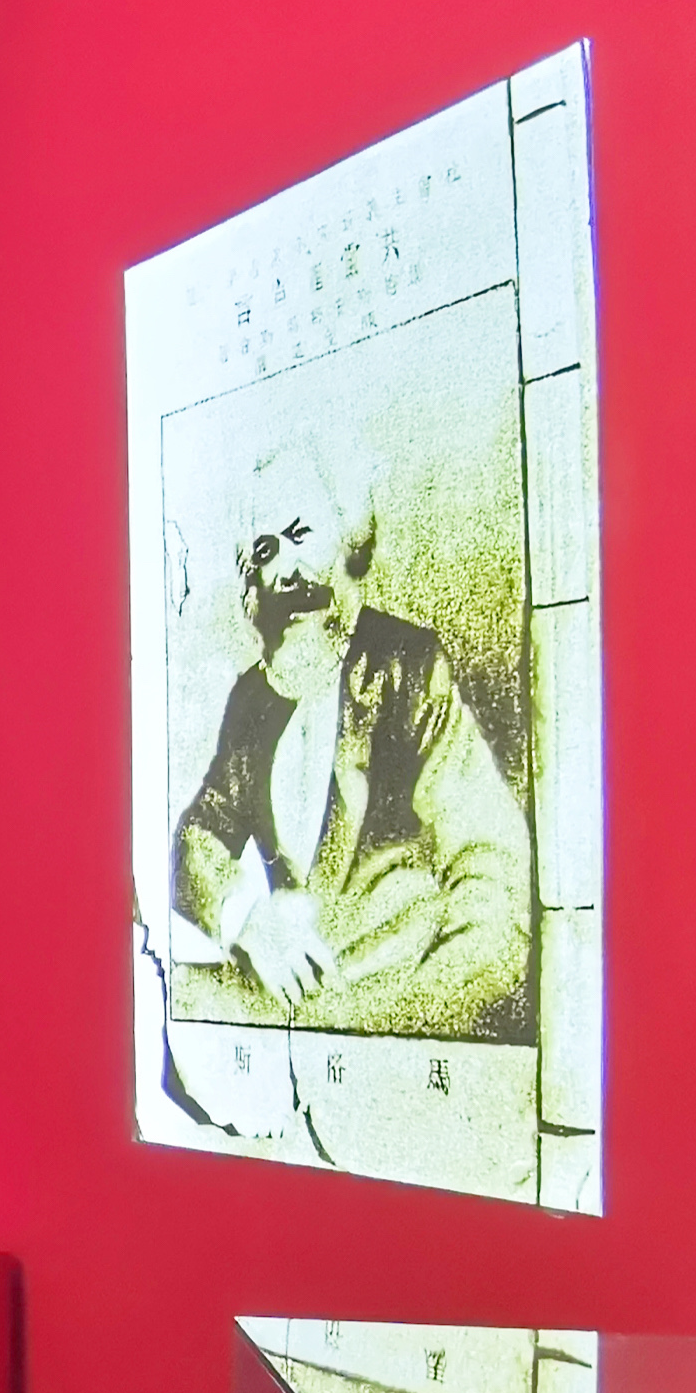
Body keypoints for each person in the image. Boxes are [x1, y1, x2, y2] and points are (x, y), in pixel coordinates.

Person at [169, 445, 530, 1040]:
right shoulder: (252, 702)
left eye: (300, 535)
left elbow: (490, 868)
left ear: (346, 543)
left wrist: (407, 1011)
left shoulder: (409, 666)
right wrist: (248, 918)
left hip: (396, 994)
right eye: (266, 550)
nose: (285, 572)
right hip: (290, 1007)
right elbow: (197, 838)